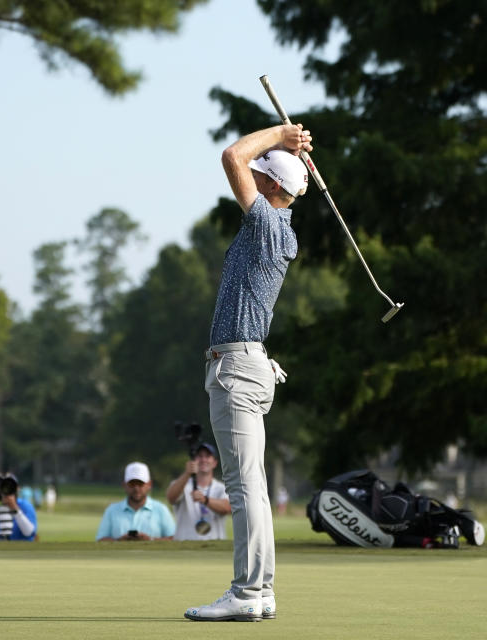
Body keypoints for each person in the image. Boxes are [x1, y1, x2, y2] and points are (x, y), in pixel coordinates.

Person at [185, 123, 312, 623]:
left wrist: (280, 135)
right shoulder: (280, 230)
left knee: (242, 488)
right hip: (247, 364)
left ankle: (246, 591)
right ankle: (261, 592)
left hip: (238, 368)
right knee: (252, 487)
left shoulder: (266, 226)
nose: (252, 180)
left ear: (275, 188)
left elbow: (232, 156)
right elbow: (247, 165)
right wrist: (287, 152)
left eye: (263, 177)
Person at [166, 442, 231, 541]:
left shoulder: (222, 488)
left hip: (214, 546)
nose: (203, 459)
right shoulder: (182, 484)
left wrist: (205, 500)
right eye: (199, 456)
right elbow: (171, 498)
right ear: (193, 461)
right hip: (184, 546)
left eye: (208, 456)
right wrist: (187, 473)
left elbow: (228, 508)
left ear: (215, 463)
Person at [96, 462, 175, 541]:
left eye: (140, 483)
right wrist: (119, 541)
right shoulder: (111, 510)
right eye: (132, 484)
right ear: (124, 485)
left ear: (149, 484)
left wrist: (150, 539)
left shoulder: (161, 509)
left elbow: (173, 539)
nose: (136, 488)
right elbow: (100, 540)